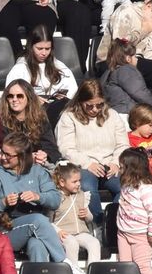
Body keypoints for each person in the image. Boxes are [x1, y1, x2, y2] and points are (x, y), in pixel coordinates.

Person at [0, 133, 65, 263]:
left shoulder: (38, 172)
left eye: (8, 155)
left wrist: (38, 196)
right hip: (5, 230)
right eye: (2, 152)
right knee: (37, 220)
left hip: (35, 228)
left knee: (37, 246)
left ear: (22, 156)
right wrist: (3, 202)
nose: (3, 157)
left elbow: (55, 200)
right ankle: (65, 264)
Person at [54, 79, 126, 228]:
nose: (95, 109)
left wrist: (115, 162)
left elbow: (123, 144)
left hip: (109, 164)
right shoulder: (69, 117)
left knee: (125, 188)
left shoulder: (112, 115)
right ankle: (97, 223)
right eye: (90, 105)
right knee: (87, 186)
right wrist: (88, 163)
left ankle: (112, 222)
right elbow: (66, 148)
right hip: (83, 165)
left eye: (99, 105)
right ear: (81, 102)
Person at [112, 147, 152, 274]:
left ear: (131, 169)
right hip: (123, 233)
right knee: (125, 267)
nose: (119, 170)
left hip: (142, 236)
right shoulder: (126, 185)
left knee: (142, 267)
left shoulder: (147, 189)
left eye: (122, 167)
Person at [49, 165, 101, 274]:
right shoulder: (55, 197)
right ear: (62, 182)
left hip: (81, 232)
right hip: (64, 233)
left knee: (94, 242)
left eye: (79, 180)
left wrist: (87, 214)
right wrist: (58, 231)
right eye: (74, 181)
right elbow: (47, 221)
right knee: (71, 243)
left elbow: (90, 219)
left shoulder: (82, 195)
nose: (78, 184)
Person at [0, 81, 59, 166]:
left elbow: (52, 148)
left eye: (19, 96)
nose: (14, 99)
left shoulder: (40, 120)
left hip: (36, 167)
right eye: (10, 96)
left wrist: (45, 154)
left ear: (28, 97)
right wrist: (27, 158)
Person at [5, 25, 78, 102]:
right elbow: (11, 96)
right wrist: (32, 100)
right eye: (39, 49)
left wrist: (63, 97)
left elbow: (72, 91)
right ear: (31, 47)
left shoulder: (59, 66)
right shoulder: (20, 68)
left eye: (47, 49)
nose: (44, 53)